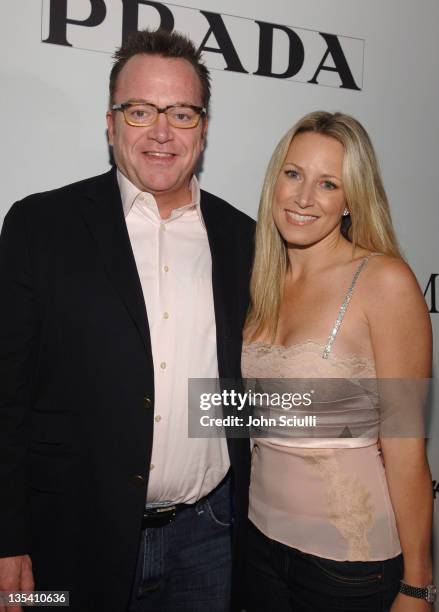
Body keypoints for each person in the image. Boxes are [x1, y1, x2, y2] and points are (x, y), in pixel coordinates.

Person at [0, 29, 254, 612]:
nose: (161, 131)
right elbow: (6, 394)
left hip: (209, 540)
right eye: (141, 111)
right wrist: (7, 537)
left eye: (182, 113)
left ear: (205, 127)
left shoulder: (245, 239)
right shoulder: (42, 226)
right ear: (110, 122)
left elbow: (248, 389)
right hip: (65, 541)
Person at [241, 111, 434, 611]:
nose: (304, 198)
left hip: (348, 566)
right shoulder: (259, 277)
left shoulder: (384, 283)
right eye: (293, 174)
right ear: (275, 180)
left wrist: (418, 586)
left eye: (328, 184)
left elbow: (407, 453)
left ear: (351, 199)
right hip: (256, 546)